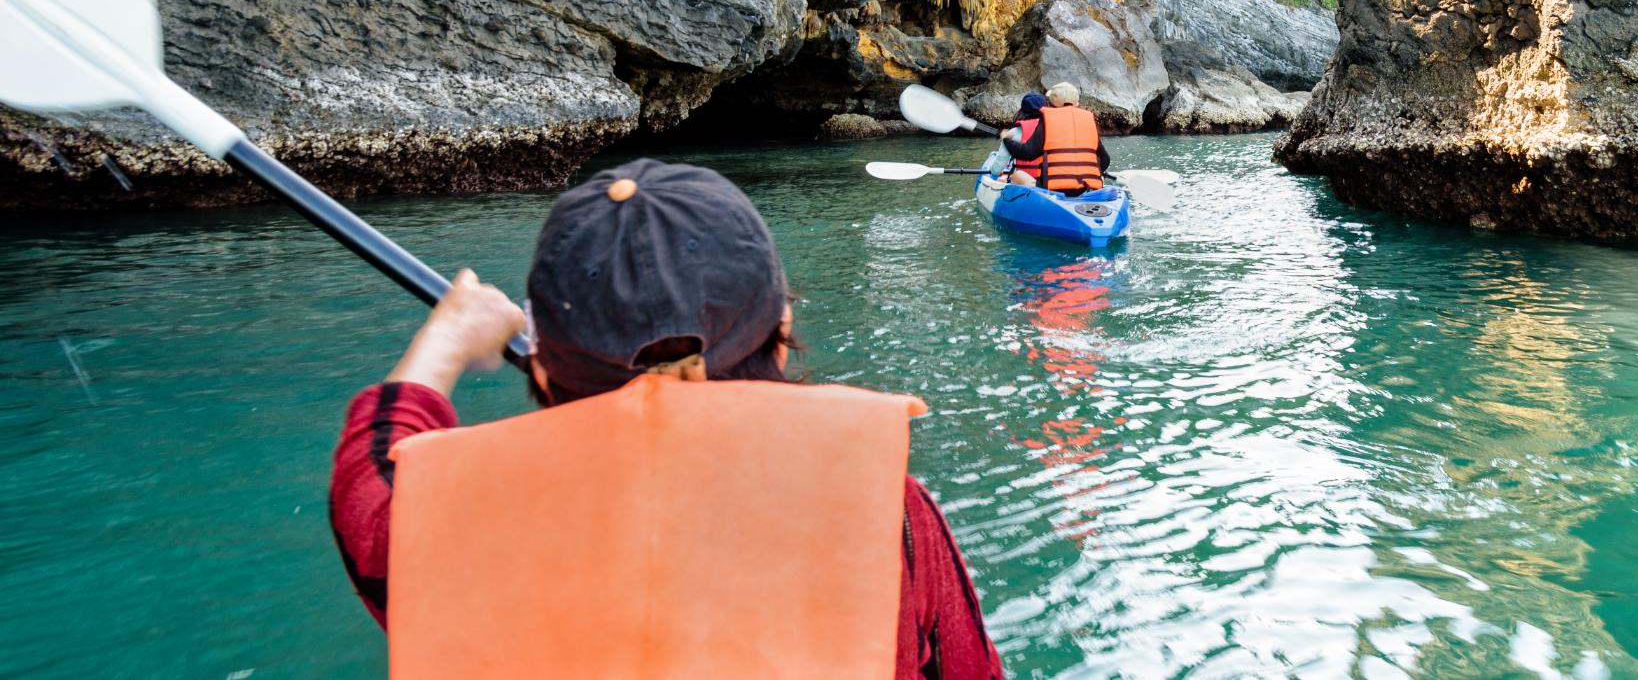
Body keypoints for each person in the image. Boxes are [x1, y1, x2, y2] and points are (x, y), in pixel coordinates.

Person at [328, 158, 1003, 679]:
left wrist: (446, 341)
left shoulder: (457, 530)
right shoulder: (889, 514)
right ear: (782, 328)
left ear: (539, 368)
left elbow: (369, 486)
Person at [1000, 81, 1107, 195]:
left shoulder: (1048, 120)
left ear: (1051, 103)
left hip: (1054, 189)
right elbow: (1105, 160)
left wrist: (1006, 139)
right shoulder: (1087, 121)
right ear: (1076, 103)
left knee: (1017, 175)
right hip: (1084, 188)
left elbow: (1028, 153)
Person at [1005, 92, 1048, 185]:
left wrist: (994, 173)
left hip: (1024, 183)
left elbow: (999, 165)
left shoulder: (1013, 132)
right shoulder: (1052, 130)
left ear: (1022, 111)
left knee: (1004, 178)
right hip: (1047, 183)